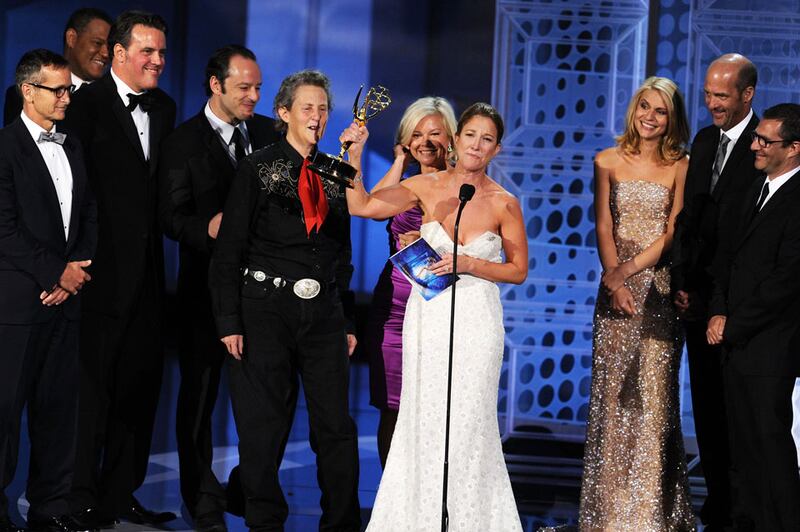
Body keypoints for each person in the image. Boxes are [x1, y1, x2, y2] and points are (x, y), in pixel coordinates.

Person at [343, 102, 527, 530]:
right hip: (428, 316)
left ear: (496, 149)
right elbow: (363, 206)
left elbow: (517, 271)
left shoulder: (505, 203)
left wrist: (470, 263)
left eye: (487, 139)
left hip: (477, 323)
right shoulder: (425, 186)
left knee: (468, 423)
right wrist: (354, 155)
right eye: (470, 136)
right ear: (456, 138)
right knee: (421, 416)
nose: (476, 146)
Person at [209, 70, 361, 532]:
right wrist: (229, 320)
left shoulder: (338, 173)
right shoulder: (258, 168)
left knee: (334, 426)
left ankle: (341, 524)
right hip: (264, 310)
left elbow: (343, 252)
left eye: (322, 109)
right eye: (307, 108)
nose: (316, 117)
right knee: (263, 425)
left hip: (324, 315)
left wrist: (348, 318)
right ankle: (264, 521)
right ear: (284, 113)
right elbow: (229, 247)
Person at [61, 10, 177, 528]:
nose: (158, 61)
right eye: (148, 52)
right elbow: (71, 193)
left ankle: (119, 493)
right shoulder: (82, 108)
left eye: (162, 52)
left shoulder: (167, 109)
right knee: (91, 393)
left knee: (139, 386)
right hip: (97, 276)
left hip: (151, 276)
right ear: (120, 54)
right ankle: (79, 495)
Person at [158, 44, 280, 532]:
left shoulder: (272, 133)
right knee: (200, 396)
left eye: (257, 87)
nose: (254, 96)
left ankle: (249, 489)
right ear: (216, 85)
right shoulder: (183, 142)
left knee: (267, 399)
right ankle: (202, 499)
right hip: (204, 292)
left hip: (267, 292)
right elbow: (169, 216)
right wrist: (208, 228)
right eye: (244, 88)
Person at [578, 77, 695, 530]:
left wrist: (625, 273)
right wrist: (615, 280)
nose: (649, 116)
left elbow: (671, 233)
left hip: (658, 291)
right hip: (614, 293)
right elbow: (604, 226)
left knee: (652, 399)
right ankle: (607, 514)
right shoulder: (606, 160)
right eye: (644, 106)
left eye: (660, 111)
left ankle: (646, 515)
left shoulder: (680, 165)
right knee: (612, 399)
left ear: (671, 119)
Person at [0, 49, 96, 532]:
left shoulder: (73, 145)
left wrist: (73, 271)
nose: (65, 98)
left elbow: (88, 216)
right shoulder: (4, 147)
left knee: (59, 414)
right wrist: (54, 273)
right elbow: (4, 229)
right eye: (56, 90)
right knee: (4, 415)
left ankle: (50, 508)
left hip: (66, 300)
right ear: (27, 92)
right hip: (19, 306)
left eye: (68, 90)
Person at [670, 53, 760, 530]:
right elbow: (689, 222)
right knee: (705, 403)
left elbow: (752, 234)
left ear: (747, 94)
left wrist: (725, 300)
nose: (711, 103)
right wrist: (684, 285)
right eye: (707, 93)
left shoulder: (769, 147)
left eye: (721, 95)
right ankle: (719, 504)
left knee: (738, 409)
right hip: (698, 300)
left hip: (741, 305)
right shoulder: (703, 142)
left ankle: (744, 508)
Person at [707, 103, 800, 532]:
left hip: (771, 348)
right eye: (757, 138)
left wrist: (735, 323)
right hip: (735, 344)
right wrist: (719, 309)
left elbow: (787, 280)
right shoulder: (754, 189)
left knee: (770, 449)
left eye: (766, 141)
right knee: (742, 453)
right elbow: (728, 257)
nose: (756, 146)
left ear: (794, 148)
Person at [360, 96, 457, 468]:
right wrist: (400, 159)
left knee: (434, 412)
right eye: (416, 134)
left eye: (434, 133)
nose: (425, 141)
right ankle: (391, 506)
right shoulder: (407, 183)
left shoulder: (460, 185)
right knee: (392, 410)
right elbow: (369, 205)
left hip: (439, 309)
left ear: (450, 137)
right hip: (394, 312)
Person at [3, 8, 111, 126]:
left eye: (109, 46)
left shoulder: (113, 100)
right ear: (72, 38)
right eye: (97, 43)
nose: (106, 53)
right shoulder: (23, 95)